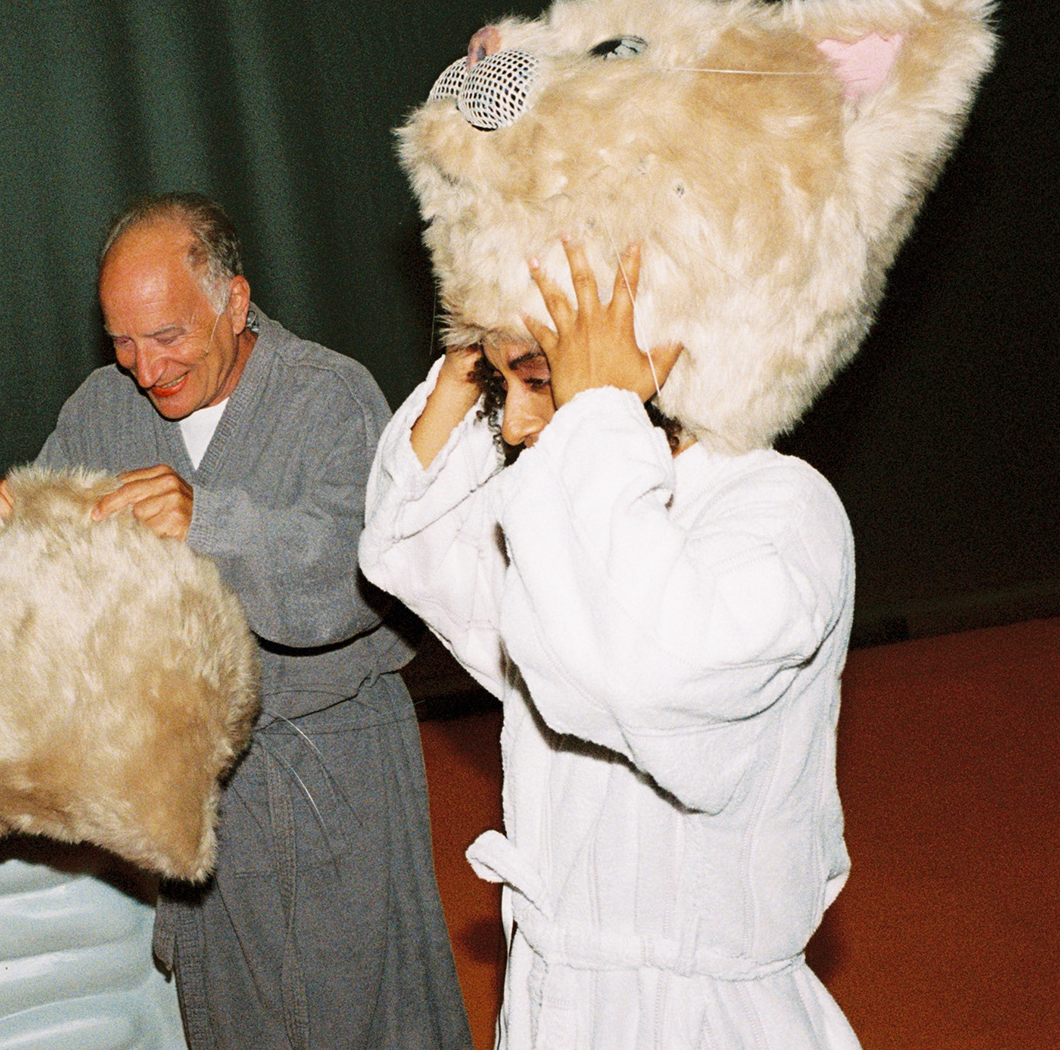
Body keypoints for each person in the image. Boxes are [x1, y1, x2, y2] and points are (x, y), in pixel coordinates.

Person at [0, 195, 470, 1050]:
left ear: (235, 303)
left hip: (329, 770)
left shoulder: (329, 395)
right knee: (233, 1020)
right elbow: (49, 575)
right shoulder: (101, 409)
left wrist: (210, 522)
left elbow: (364, 577)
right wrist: (6, 536)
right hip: (200, 788)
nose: (145, 368)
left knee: (360, 1013)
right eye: (123, 341)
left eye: (167, 336)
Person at [359, 241, 862, 1047]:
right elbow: (411, 546)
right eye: (503, 388)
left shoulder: (781, 509)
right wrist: (470, 356)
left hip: (699, 1018)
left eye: (536, 380)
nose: (514, 425)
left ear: (651, 355)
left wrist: (596, 409)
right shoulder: (574, 507)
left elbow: (645, 670)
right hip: (558, 991)